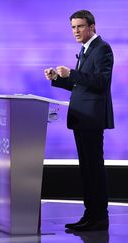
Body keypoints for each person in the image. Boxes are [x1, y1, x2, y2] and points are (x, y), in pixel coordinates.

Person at [44, 10, 114, 231]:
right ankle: (90, 215)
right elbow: (81, 85)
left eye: (80, 27)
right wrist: (58, 79)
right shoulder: (86, 50)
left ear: (92, 27)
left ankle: (99, 218)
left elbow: (101, 82)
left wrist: (72, 73)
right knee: (86, 169)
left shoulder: (102, 48)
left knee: (94, 168)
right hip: (81, 118)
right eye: (73, 27)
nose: (76, 31)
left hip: (91, 118)